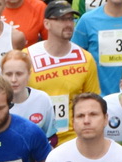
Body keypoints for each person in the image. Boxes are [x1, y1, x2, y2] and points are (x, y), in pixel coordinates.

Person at [26, 3, 100, 145]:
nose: (68, 24)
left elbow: (92, 103)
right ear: (47, 23)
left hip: (73, 139)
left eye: (70, 19)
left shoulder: (86, 58)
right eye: (61, 19)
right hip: (36, 138)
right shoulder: (28, 56)